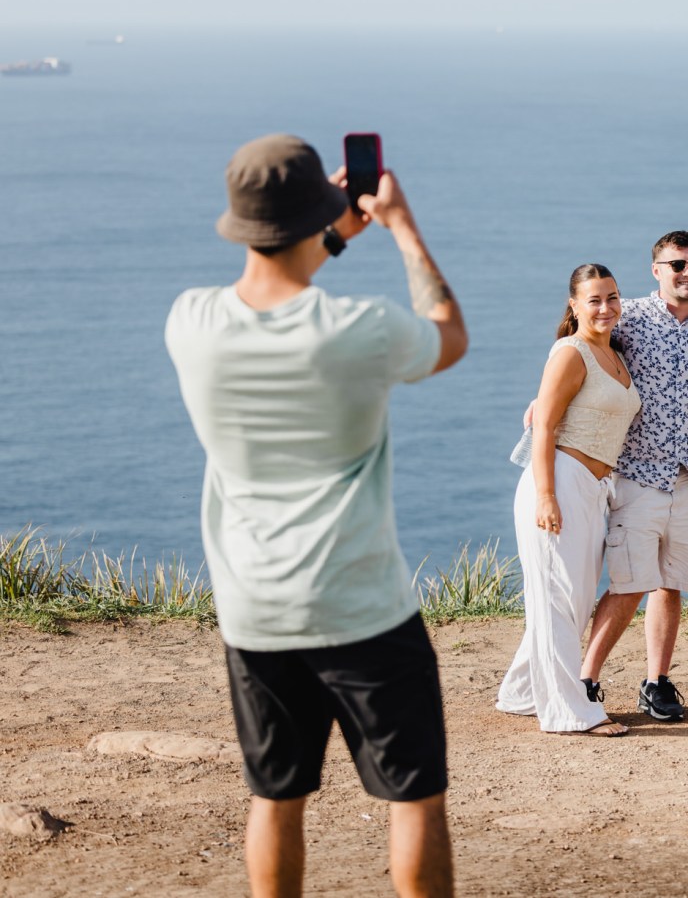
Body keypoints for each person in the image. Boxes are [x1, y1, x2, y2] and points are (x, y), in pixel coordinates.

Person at [166, 133, 465, 897]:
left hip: (254, 609)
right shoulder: (359, 328)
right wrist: (398, 226)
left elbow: (271, 287)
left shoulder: (191, 322)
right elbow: (447, 335)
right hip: (361, 606)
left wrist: (329, 236)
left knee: (275, 795)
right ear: (319, 208)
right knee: (413, 798)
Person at [579, 231, 688, 721]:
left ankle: (656, 682)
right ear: (657, 270)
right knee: (629, 580)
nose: (687, 273)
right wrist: (544, 399)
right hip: (635, 470)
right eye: (677, 265)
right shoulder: (625, 316)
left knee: (671, 582)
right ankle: (584, 680)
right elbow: (582, 347)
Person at [497, 265, 641, 736]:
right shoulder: (571, 353)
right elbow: (545, 428)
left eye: (612, 297)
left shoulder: (614, 352)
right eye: (594, 300)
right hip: (559, 480)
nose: (605, 308)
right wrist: (545, 496)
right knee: (558, 598)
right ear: (574, 305)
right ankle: (568, 712)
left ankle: (521, 692)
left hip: (592, 488)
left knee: (572, 601)